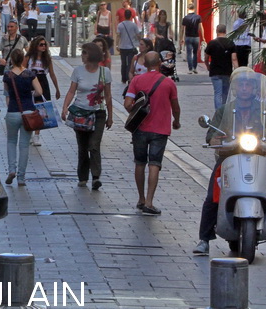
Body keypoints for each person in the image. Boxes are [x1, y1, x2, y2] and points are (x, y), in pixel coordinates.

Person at [193, 67, 266, 258]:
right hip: (228, 157)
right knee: (213, 195)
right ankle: (204, 239)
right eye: (241, 85)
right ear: (235, 89)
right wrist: (215, 139)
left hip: (258, 158)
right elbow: (211, 133)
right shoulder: (224, 111)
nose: (245, 88)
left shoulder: (264, 111)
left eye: (248, 85)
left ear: (254, 89)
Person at [124, 52, 180, 215]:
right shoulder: (168, 83)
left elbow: (127, 103)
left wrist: (136, 111)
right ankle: (149, 201)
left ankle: (141, 199)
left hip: (140, 128)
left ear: (146, 64)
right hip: (160, 129)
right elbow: (175, 106)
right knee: (155, 164)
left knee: (139, 163)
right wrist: (176, 121)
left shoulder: (137, 80)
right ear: (160, 63)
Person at [61, 42, 113, 190]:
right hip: (81, 112)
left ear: (92, 55)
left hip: (98, 113)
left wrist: (110, 116)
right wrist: (65, 107)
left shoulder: (104, 72)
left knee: (94, 145)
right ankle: (83, 177)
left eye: (84, 53)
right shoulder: (78, 71)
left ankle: (96, 177)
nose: (82, 55)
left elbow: (108, 96)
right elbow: (72, 91)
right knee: (83, 147)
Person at [3, 48, 43, 186]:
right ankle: (21, 177)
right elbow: (39, 91)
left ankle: (11, 170)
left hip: (13, 111)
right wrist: (29, 96)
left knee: (11, 142)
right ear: (23, 59)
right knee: (24, 146)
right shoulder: (30, 74)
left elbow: (7, 94)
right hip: (28, 112)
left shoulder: (7, 75)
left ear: (12, 60)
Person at [25, 36, 61, 147]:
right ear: (35, 46)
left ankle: (37, 135)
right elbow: (22, 69)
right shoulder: (29, 57)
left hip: (42, 81)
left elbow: (52, 74)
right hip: (30, 80)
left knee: (41, 109)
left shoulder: (47, 59)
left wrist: (57, 89)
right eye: (41, 44)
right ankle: (30, 132)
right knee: (30, 108)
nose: (43, 46)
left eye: (45, 44)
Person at [205, 24, 239, 109]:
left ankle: (218, 113)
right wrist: (237, 71)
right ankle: (224, 111)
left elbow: (206, 58)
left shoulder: (211, 43)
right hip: (227, 72)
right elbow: (234, 59)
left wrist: (208, 66)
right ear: (225, 31)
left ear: (216, 31)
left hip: (215, 71)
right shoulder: (231, 43)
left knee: (217, 93)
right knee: (225, 93)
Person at [179, 3, 206, 74]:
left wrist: (182, 38)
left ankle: (190, 69)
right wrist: (203, 37)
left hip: (188, 37)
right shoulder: (198, 17)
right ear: (194, 9)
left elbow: (182, 29)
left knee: (189, 53)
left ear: (187, 9)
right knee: (195, 53)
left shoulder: (185, 18)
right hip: (196, 37)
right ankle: (195, 68)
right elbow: (201, 27)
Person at [116, 10, 141, 84]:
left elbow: (118, 35)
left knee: (123, 63)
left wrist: (117, 45)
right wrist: (140, 43)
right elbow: (138, 35)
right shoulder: (133, 25)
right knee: (130, 63)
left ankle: (123, 78)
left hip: (123, 46)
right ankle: (129, 77)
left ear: (124, 15)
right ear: (131, 16)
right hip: (131, 47)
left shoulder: (120, 25)